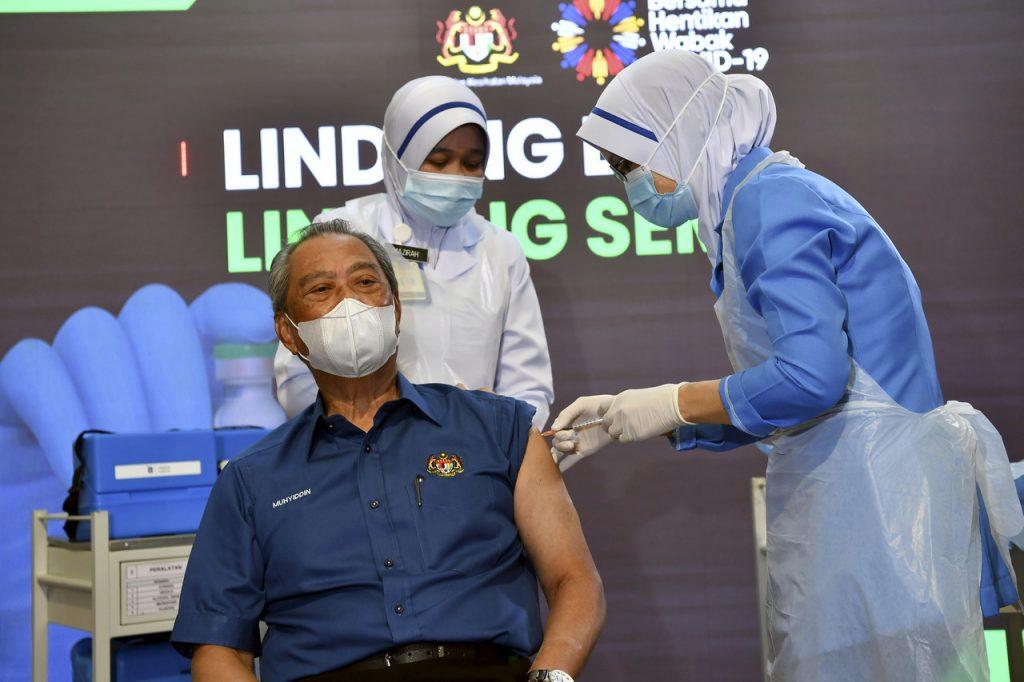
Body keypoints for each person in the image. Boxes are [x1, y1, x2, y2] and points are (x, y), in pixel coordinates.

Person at [553, 49, 1023, 680]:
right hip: (855, 493)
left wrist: (673, 400)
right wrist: (637, 419)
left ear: (678, 134)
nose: (630, 187)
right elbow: (804, 399)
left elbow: (812, 379)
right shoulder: (750, 206)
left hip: (882, 508)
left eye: (628, 166)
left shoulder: (768, 202)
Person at [172, 220, 603, 682]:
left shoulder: (499, 428)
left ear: (395, 310)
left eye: (365, 282)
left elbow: (575, 582)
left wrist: (552, 678)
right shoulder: (250, 480)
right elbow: (219, 651)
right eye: (322, 289)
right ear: (290, 334)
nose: (350, 303)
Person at [275, 76, 554, 430]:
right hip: (355, 451)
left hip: (475, 455)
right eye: (438, 161)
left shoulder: (500, 250)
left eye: (472, 163)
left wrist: (493, 431)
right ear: (396, 156)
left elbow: (528, 385)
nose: (456, 176)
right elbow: (297, 372)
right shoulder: (342, 233)